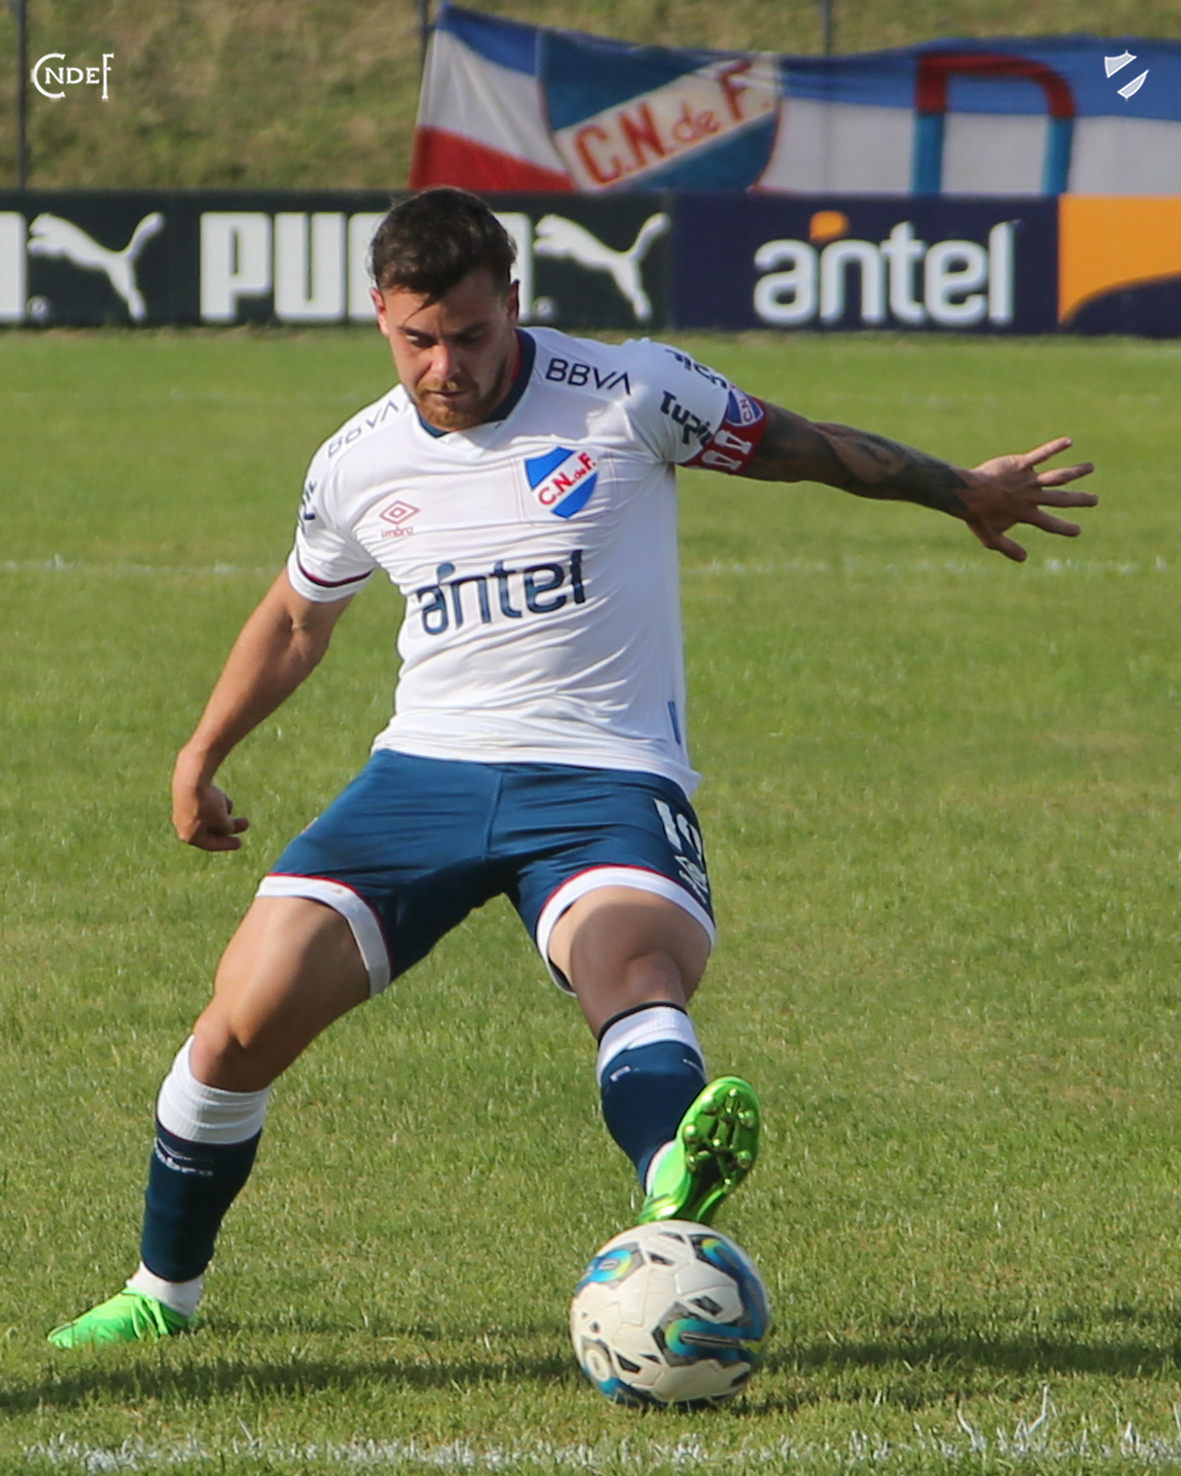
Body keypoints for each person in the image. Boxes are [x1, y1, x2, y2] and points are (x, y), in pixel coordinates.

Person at [48, 187, 1096, 1347]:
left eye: (468, 334)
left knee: (632, 965)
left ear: (512, 300)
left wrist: (960, 489)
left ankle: (668, 1182)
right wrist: (200, 753)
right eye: (417, 339)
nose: (444, 365)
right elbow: (299, 617)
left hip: (603, 776)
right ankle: (161, 1294)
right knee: (238, 1026)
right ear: (380, 314)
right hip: (424, 775)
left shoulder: (629, 390)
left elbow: (807, 449)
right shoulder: (355, 461)